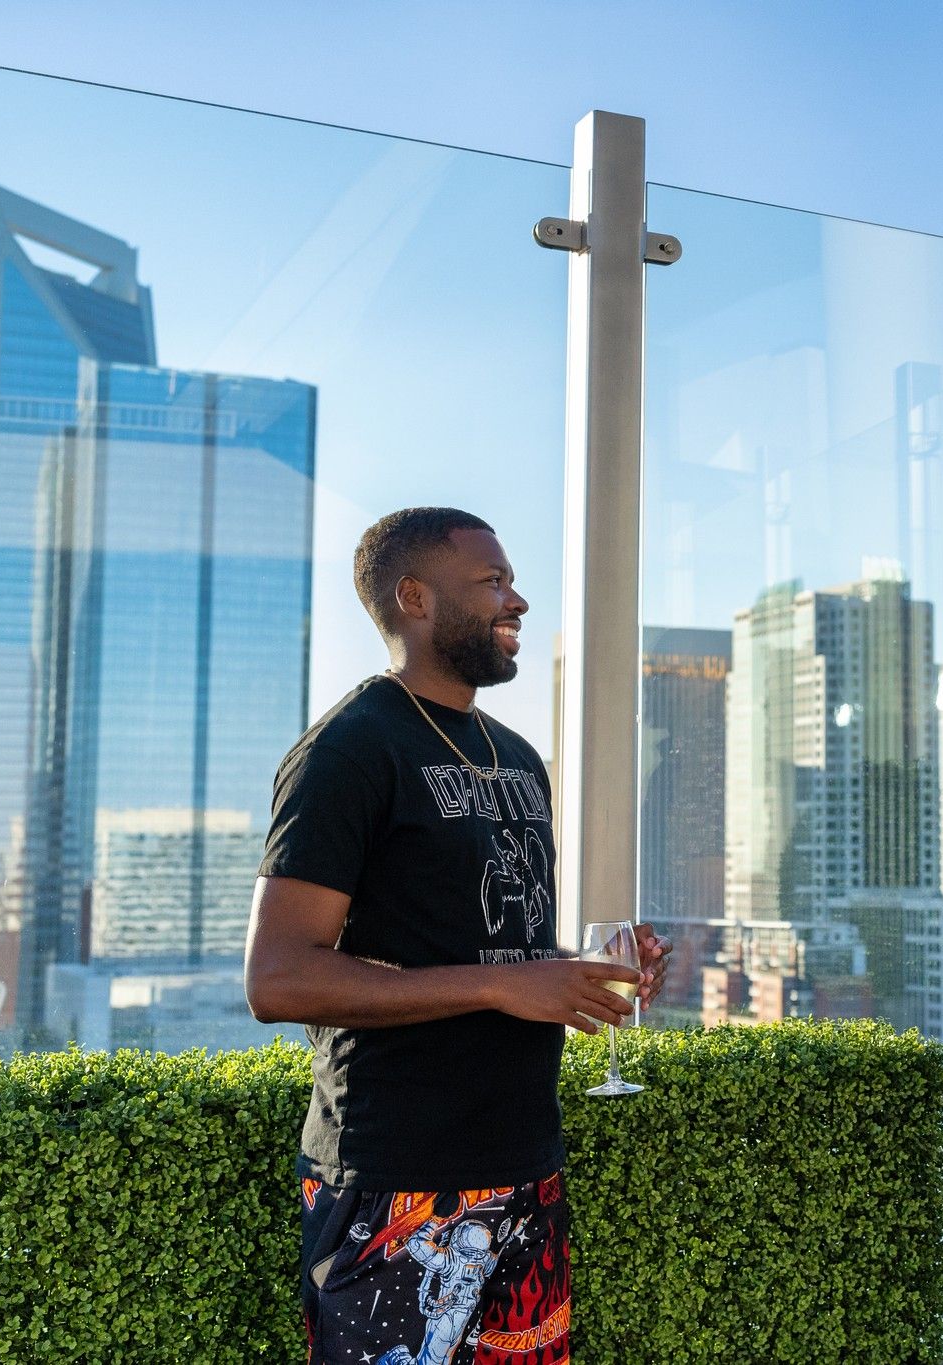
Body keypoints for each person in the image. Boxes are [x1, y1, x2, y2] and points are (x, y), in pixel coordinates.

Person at [245, 506, 671, 1365]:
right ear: (415, 598)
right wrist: (499, 986)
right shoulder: (349, 750)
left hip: (525, 1165)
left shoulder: (517, 757)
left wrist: (576, 972)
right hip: (394, 1182)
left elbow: (495, 946)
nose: (517, 600)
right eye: (493, 583)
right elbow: (278, 977)